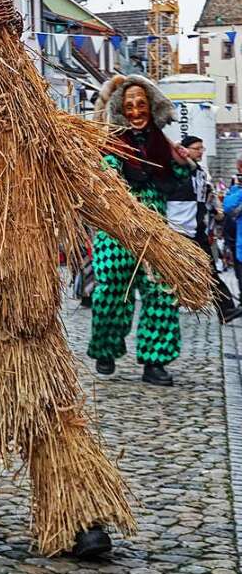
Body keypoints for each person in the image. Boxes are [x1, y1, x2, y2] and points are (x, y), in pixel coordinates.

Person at [88, 75, 192, 386]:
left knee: (161, 293)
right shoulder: (112, 142)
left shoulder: (162, 142)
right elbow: (104, 175)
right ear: (121, 110)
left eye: (141, 105)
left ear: (151, 108)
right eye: (129, 106)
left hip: (154, 229)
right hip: (117, 229)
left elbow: (178, 177)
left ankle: (155, 361)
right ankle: (105, 349)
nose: (136, 111)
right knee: (110, 292)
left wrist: (181, 162)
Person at [167, 135, 236, 322]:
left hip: (197, 230)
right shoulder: (176, 169)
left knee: (210, 271)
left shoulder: (200, 172)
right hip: (177, 230)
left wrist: (215, 211)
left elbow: (206, 197)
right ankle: (169, 304)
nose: (201, 151)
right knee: (176, 272)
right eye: (197, 148)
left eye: (202, 148)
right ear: (185, 150)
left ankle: (226, 309)